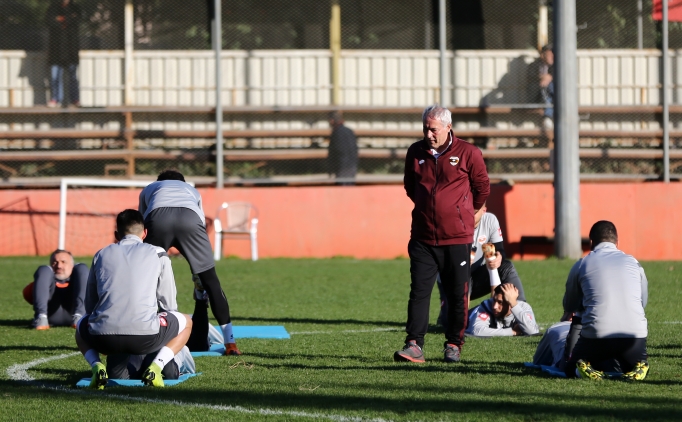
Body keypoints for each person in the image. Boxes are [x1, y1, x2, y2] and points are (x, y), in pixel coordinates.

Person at [395, 104, 490, 363]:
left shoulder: (469, 152)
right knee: (419, 291)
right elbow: (410, 186)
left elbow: (482, 187)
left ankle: (453, 344)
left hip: (456, 238)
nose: (428, 134)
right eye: (425, 128)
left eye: (433, 129)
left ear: (448, 127)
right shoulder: (415, 152)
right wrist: (428, 208)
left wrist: (465, 213)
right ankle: (414, 344)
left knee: (457, 293)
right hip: (423, 236)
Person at [75, 209, 192, 389]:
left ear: (116, 235)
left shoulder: (101, 254)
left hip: (105, 338)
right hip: (146, 335)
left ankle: (96, 365)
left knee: (81, 324)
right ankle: (157, 366)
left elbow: (90, 304)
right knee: (187, 322)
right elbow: (168, 303)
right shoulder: (158, 253)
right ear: (145, 233)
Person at [139, 169, 241, 355]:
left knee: (145, 279)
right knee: (211, 281)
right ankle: (230, 344)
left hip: (158, 219)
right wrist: (197, 260)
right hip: (190, 219)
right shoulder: (191, 190)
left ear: (158, 181)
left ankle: (141, 333)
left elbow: (141, 225)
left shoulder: (150, 188)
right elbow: (200, 221)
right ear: (183, 182)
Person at [562, 220, 649, 381]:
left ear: (591, 242)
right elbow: (642, 302)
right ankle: (638, 366)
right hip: (634, 337)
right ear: (617, 242)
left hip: (596, 336)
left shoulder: (582, 264)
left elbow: (570, 305)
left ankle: (584, 369)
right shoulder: (634, 263)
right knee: (629, 364)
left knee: (569, 368)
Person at [436, 206, 527, 327]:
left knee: (506, 266)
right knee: (454, 323)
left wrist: (498, 258)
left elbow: (499, 250)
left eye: (473, 213)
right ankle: (450, 312)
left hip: (477, 275)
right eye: (466, 212)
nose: (469, 216)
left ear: (483, 210)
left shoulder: (490, 220)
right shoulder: (452, 222)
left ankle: (522, 313)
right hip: (452, 276)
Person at [22, 249, 88, 330]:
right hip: (49, 313)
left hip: (75, 308)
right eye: (55, 262)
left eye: (63, 262)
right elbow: (27, 295)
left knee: (82, 267)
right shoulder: (42, 281)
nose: (59, 266)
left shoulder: (80, 278)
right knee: (44, 269)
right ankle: (41, 317)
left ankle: (79, 317)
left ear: (71, 265)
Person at [466, 284, 538, 337]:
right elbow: (477, 331)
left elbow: (533, 332)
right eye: (494, 300)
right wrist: (512, 332)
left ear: (510, 302)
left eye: (500, 302)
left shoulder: (523, 307)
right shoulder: (486, 306)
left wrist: (514, 304)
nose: (494, 306)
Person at [46, 0, 81, 107]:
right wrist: (67, 19)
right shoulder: (53, 8)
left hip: (71, 49)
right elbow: (49, 21)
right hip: (56, 50)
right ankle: (55, 99)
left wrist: (62, 19)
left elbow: (77, 21)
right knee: (55, 76)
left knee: (73, 76)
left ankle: (75, 99)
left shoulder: (75, 8)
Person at [327, 111, 359, 185]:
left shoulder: (336, 133)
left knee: (341, 187)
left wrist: (331, 168)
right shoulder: (349, 131)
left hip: (341, 167)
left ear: (332, 121)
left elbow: (334, 152)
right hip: (352, 165)